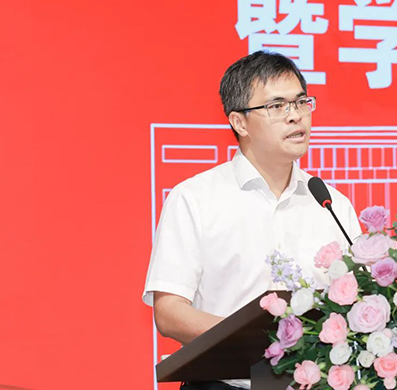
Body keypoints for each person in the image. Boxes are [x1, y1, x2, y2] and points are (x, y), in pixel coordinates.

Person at [142, 51, 361, 390]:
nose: (295, 116)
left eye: (301, 102)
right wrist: (261, 341)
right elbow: (169, 312)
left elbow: (358, 300)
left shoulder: (331, 204)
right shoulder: (195, 198)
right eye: (277, 106)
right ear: (239, 122)